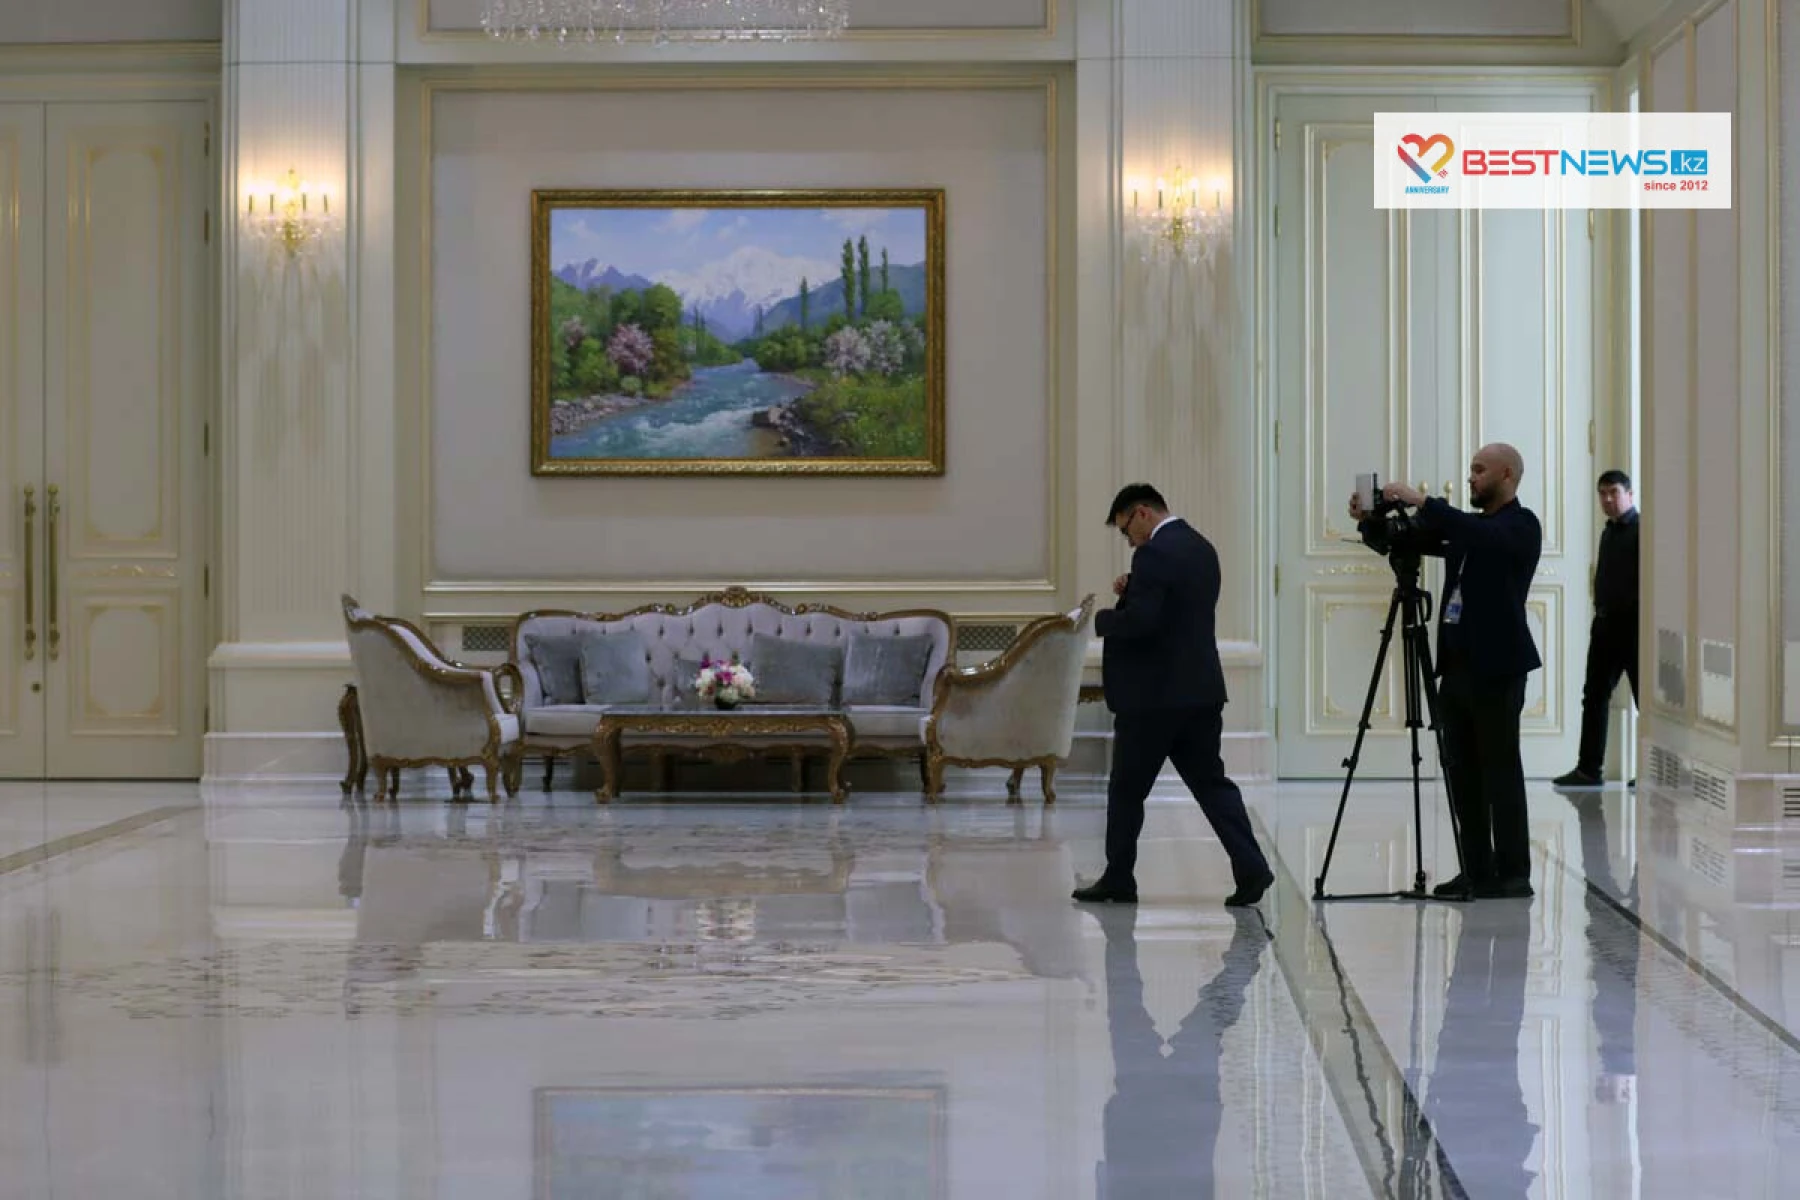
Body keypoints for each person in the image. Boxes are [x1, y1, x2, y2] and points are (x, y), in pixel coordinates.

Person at [1350, 445, 1542, 900]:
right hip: (1456, 669)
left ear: (1507, 475)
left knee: (1500, 771)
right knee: (1462, 774)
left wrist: (1422, 500)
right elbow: (1401, 541)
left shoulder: (1520, 525)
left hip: (1498, 669)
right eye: (1471, 469)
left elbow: (1483, 536)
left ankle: (1513, 872)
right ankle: (1476, 868)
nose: (1471, 477)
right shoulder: (1467, 528)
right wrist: (1369, 520)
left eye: (1479, 470)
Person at [1072, 484, 1275, 908]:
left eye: (1125, 529)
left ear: (1142, 513)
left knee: (1126, 790)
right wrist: (1135, 588)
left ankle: (1118, 878)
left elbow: (1143, 623)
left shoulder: (1153, 554)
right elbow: (1178, 609)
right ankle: (1251, 866)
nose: (1129, 540)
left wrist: (1103, 619)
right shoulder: (1202, 548)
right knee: (1212, 785)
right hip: (1200, 691)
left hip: (1153, 699)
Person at [1554, 470, 1640, 789]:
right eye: (1602, 493)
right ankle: (1589, 770)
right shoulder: (1608, 532)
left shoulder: (1642, 530)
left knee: (1645, 699)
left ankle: (1651, 771)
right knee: (1594, 696)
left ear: (1629, 494)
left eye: (1613, 492)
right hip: (1605, 626)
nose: (1607, 499)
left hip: (1634, 628)